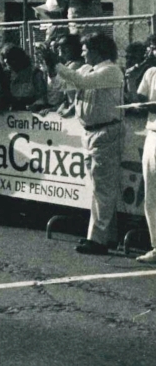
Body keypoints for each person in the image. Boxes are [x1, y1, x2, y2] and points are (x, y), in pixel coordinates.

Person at [56, 32, 124, 255]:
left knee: (102, 187)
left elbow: (82, 82)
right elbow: (65, 84)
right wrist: (52, 68)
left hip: (106, 131)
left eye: (86, 49)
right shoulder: (87, 69)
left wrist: (56, 65)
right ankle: (107, 235)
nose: (83, 53)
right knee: (98, 186)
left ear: (98, 50)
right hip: (91, 132)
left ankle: (98, 239)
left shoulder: (111, 70)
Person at [132, 42, 156, 264]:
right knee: (152, 192)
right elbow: (139, 99)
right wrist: (136, 71)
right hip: (153, 133)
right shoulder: (151, 71)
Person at [2, 44, 48, 111]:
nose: (7, 63)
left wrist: (36, 105)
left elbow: (42, 96)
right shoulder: (7, 75)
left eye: (10, 60)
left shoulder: (35, 74)